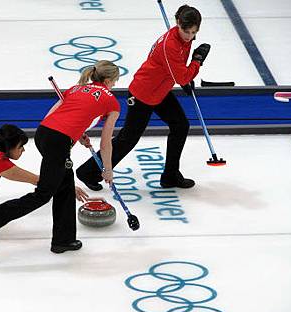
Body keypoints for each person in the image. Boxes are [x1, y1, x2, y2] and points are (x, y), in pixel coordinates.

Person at [0, 60, 121, 256]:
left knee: (65, 187)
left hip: (44, 134)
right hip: (58, 142)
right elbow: (106, 143)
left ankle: (64, 240)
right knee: (44, 193)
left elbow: (53, 116)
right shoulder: (111, 101)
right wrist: (108, 170)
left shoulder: (76, 88)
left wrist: (76, 134)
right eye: (115, 81)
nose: (114, 86)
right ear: (107, 80)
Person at [76, 5, 210, 191]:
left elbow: (177, 71)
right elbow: (182, 76)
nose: (189, 36)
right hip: (143, 94)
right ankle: (87, 172)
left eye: (193, 32)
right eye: (186, 31)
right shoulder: (170, 45)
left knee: (180, 125)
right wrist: (196, 62)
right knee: (128, 139)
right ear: (178, 23)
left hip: (160, 91)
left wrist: (184, 74)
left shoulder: (183, 39)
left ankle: (170, 175)